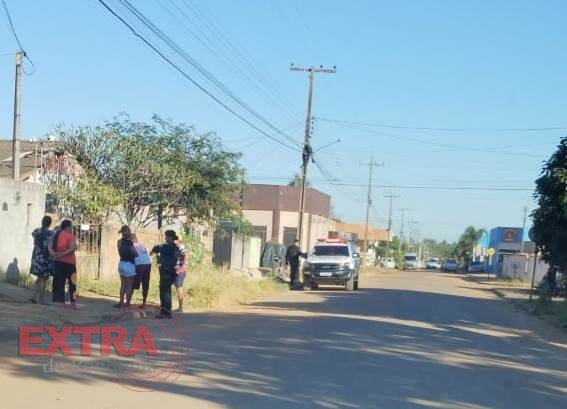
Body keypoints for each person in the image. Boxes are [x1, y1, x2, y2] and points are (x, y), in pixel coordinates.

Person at [151, 230, 180, 319]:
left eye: (166, 236)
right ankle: (165, 312)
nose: (165, 238)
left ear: (170, 237)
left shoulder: (170, 247)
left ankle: (166, 313)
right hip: (169, 271)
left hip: (167, 272)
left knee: (165, 293)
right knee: (165, 292)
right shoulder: (174, 247)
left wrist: (156, 248)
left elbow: (157, 249)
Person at [49, 220, 77, 303]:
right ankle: (72, 299)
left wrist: (54, 254)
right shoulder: (71, 236)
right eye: (71, 227)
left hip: (58, 261)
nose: (71, 229)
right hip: (69, 262)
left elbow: (49, 246)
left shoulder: (56, 235)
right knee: (72, 282)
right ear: (68, 227)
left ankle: (57, 298)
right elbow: (72, 248)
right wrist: (63, 254)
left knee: (59, 281)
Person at [29, 216, 54, 304]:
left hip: (36, 256)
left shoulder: (36, 231)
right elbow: (49, 247)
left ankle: (33, 296)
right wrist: (54, 255)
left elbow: (35, 240)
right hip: (45, 257)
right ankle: (41, 299)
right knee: (43, 278)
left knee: (40, 278)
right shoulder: (50, 234)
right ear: (50, 223)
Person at [116, 225, 137, 308]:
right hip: (129, 264)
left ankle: (121, 302)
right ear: (127, 233)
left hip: (121, 263)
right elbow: (135, 253)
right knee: (129, 285)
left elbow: (120, 252)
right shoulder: (129, 242)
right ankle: (127, 303)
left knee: (123, 284)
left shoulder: (119, 242)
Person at [131, 233, 152, 308]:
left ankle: (128, 302)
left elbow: (132, 257)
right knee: (145, 283)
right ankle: (144, 303)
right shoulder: (142, 246)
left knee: (133, 283)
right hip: (148, 264)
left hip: (139, 264)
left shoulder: (131, 246)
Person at [174, 236, 188, 313]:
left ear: (178, 240)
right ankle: (179, 307)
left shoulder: (181, 247)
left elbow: (185, 255)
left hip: (180, 270)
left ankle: (180, 307)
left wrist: (181, 265)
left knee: (179, 287)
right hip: (178, 270)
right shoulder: (177, 247)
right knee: (178, 287)